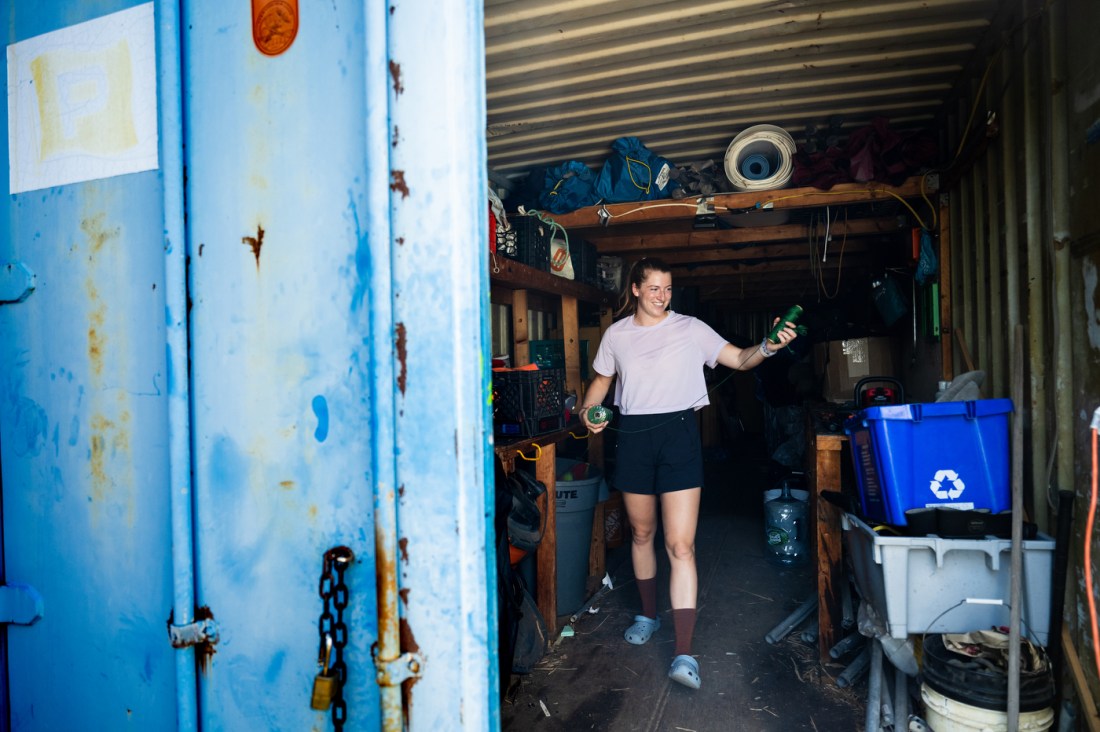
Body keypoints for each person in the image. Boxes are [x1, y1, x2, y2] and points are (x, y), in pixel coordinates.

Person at [579, 257, 799, 690]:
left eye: (668, 288)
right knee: (641, 534)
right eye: (654, 288)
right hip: (635, 437)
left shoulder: (691, 328)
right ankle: (647, 615)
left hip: (679, 436)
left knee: (680, 544)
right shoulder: (616, 335)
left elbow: (738, 358)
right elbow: (602, 382)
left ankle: (684, 652)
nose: (663, 296)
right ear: (636, 289)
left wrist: (770, 346)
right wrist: (588, 410)